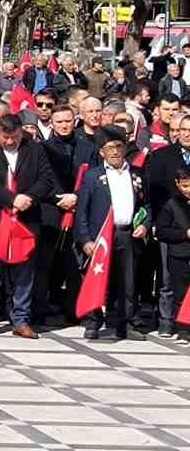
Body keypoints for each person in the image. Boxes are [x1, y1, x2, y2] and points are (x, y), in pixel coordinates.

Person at [0, 112, 55, 338]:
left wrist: (28, 198)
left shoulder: (34, 150)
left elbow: (46, 179)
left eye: (14, 136)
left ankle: (21, 320)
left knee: (23, 275)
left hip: (25, 220)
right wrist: (10, 198)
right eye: (5, 137)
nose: (9, 141)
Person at [74, 126, 150, 341]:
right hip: (101, 238)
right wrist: (86, 240)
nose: (115, 152)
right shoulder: (93, 176)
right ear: (101, 152)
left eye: (119, 146)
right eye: (110, 148)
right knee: (99, 280)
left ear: (125, 148)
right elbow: (82, 212)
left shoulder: (137, 174)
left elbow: (147, 205)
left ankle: (125, 324)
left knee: (128, 282)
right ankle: (94, 322)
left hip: (128, 235)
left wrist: (144, 224)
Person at [150, 167, 190, 342]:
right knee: (179, 292)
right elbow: (162, 231)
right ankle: (182, 326)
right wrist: (184, 234)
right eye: (185, 186)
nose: (189, 190)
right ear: (178, 184)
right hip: (179, 254)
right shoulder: (172, 205)